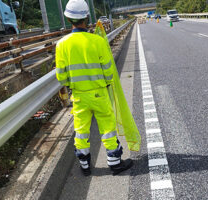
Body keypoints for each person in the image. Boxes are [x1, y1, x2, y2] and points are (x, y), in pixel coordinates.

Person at [55, 0, 133, 176]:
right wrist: (103, 82)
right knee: (107, 127)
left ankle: (85, 166)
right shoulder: (97, 41)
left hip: (79, 96)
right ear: (87, 17)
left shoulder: (62, 44)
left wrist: (72, 85)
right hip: (99, 93)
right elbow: (108, 70)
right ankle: (115, 163)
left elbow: (61, 76)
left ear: (68, 18)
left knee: (81, 130)